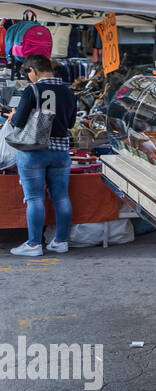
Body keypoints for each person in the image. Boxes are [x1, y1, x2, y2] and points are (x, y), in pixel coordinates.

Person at [7, 54, 77, 257]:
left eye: (28, 73)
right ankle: (61, 242)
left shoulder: (32, 90)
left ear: (33, 70)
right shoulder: (68, 91)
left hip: (33, 153)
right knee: (61, 197)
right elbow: (71, 124)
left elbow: (19, 122)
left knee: (35, 197)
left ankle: (34, 245)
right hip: (60, 153)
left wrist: (12, 117)